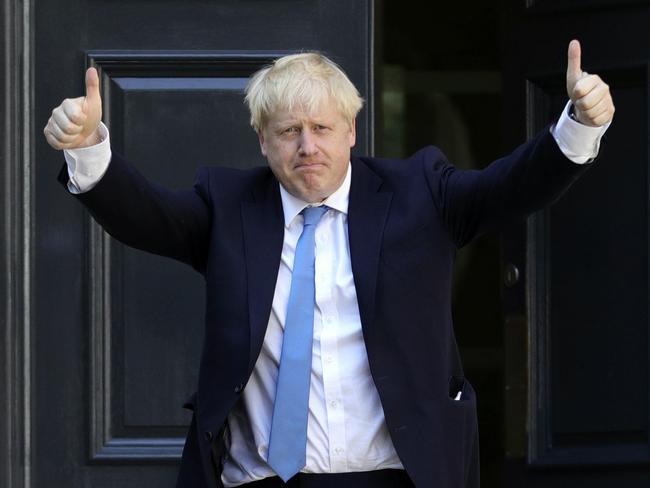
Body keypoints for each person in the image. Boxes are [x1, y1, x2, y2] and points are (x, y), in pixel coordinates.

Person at [43, 40, 614, 488]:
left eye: (321, 128)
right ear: (263, 142)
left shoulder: (419, 192)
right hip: (256, 480)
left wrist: (577, 125)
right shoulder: (230, 206)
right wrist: (89, 146)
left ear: (352, 132)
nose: (307, 147)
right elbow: (147, 216)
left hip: (393, 477)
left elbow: (508, 188)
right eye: (289, 132)